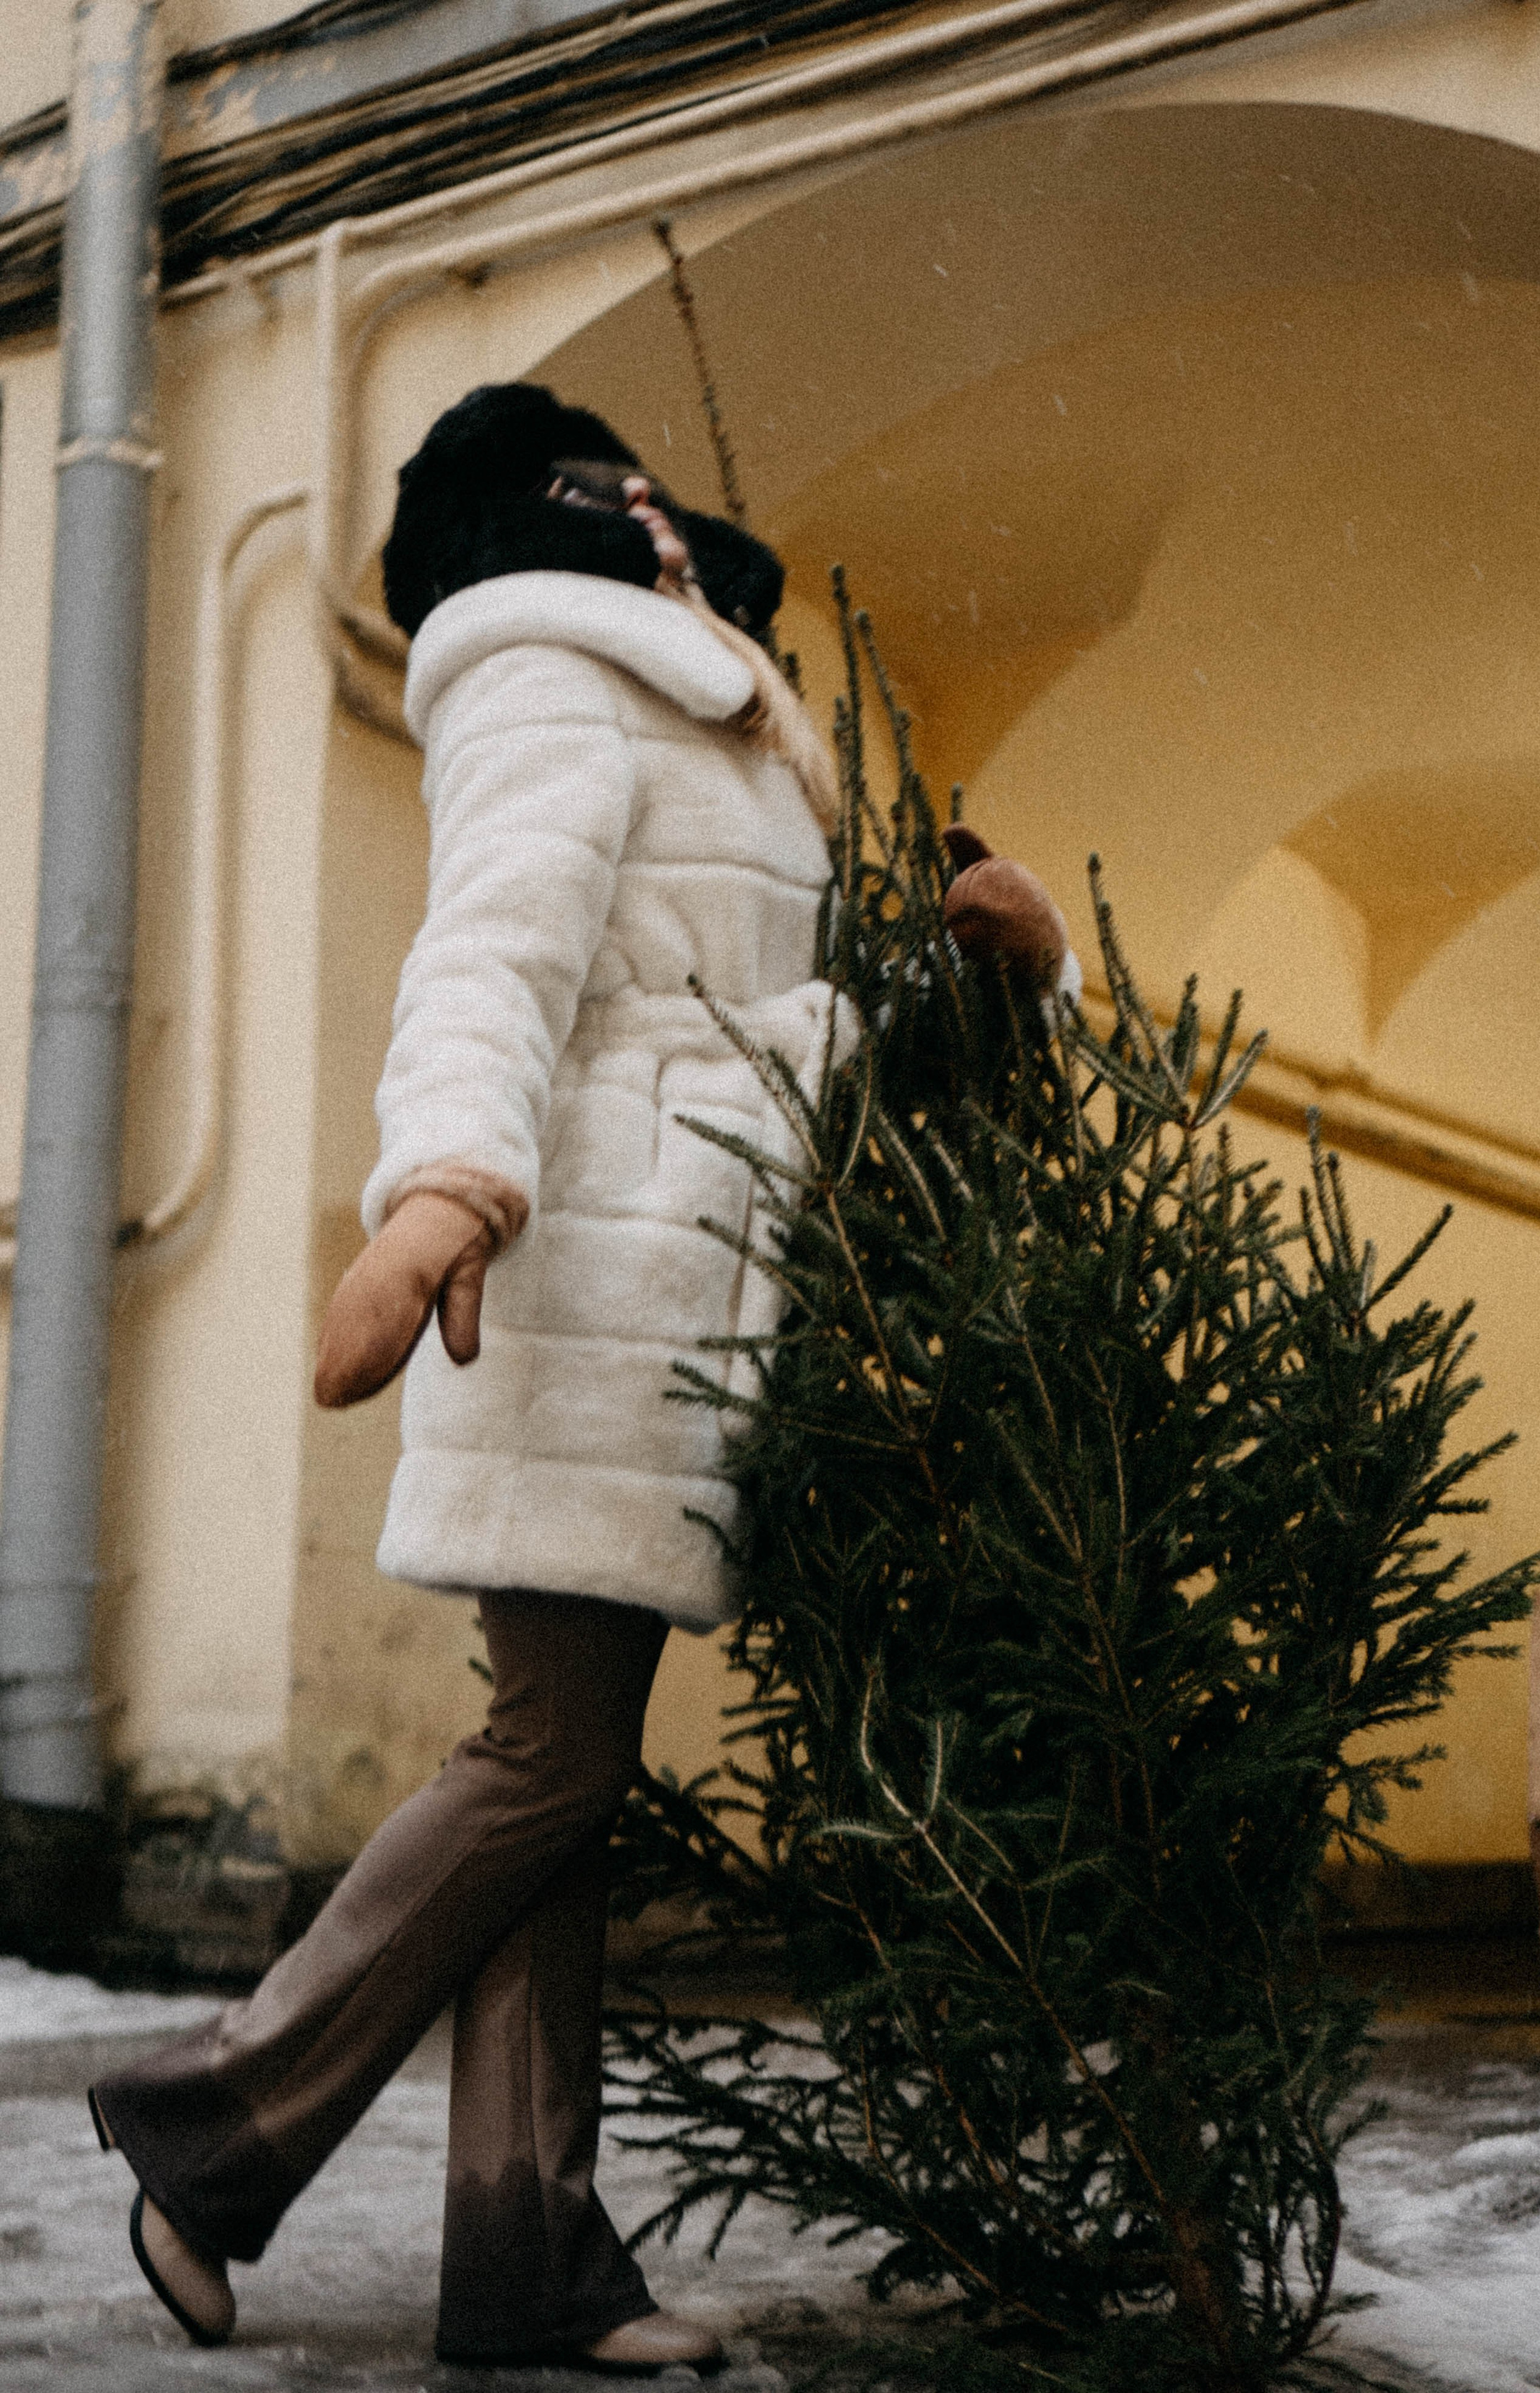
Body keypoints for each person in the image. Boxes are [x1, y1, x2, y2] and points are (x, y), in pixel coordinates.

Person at [88, 383, 1075, 2369]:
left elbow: (744, 1031)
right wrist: (445, 1180)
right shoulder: (552, 673)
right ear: (571, 518)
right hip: (572, 1283)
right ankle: (214, 2126)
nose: (667, 523)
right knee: (551, 1757)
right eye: (629, 498)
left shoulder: (702, 710)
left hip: (675, 1289)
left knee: (564, 1778)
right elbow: (494, 961)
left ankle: (523, 2253)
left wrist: (979, 971)